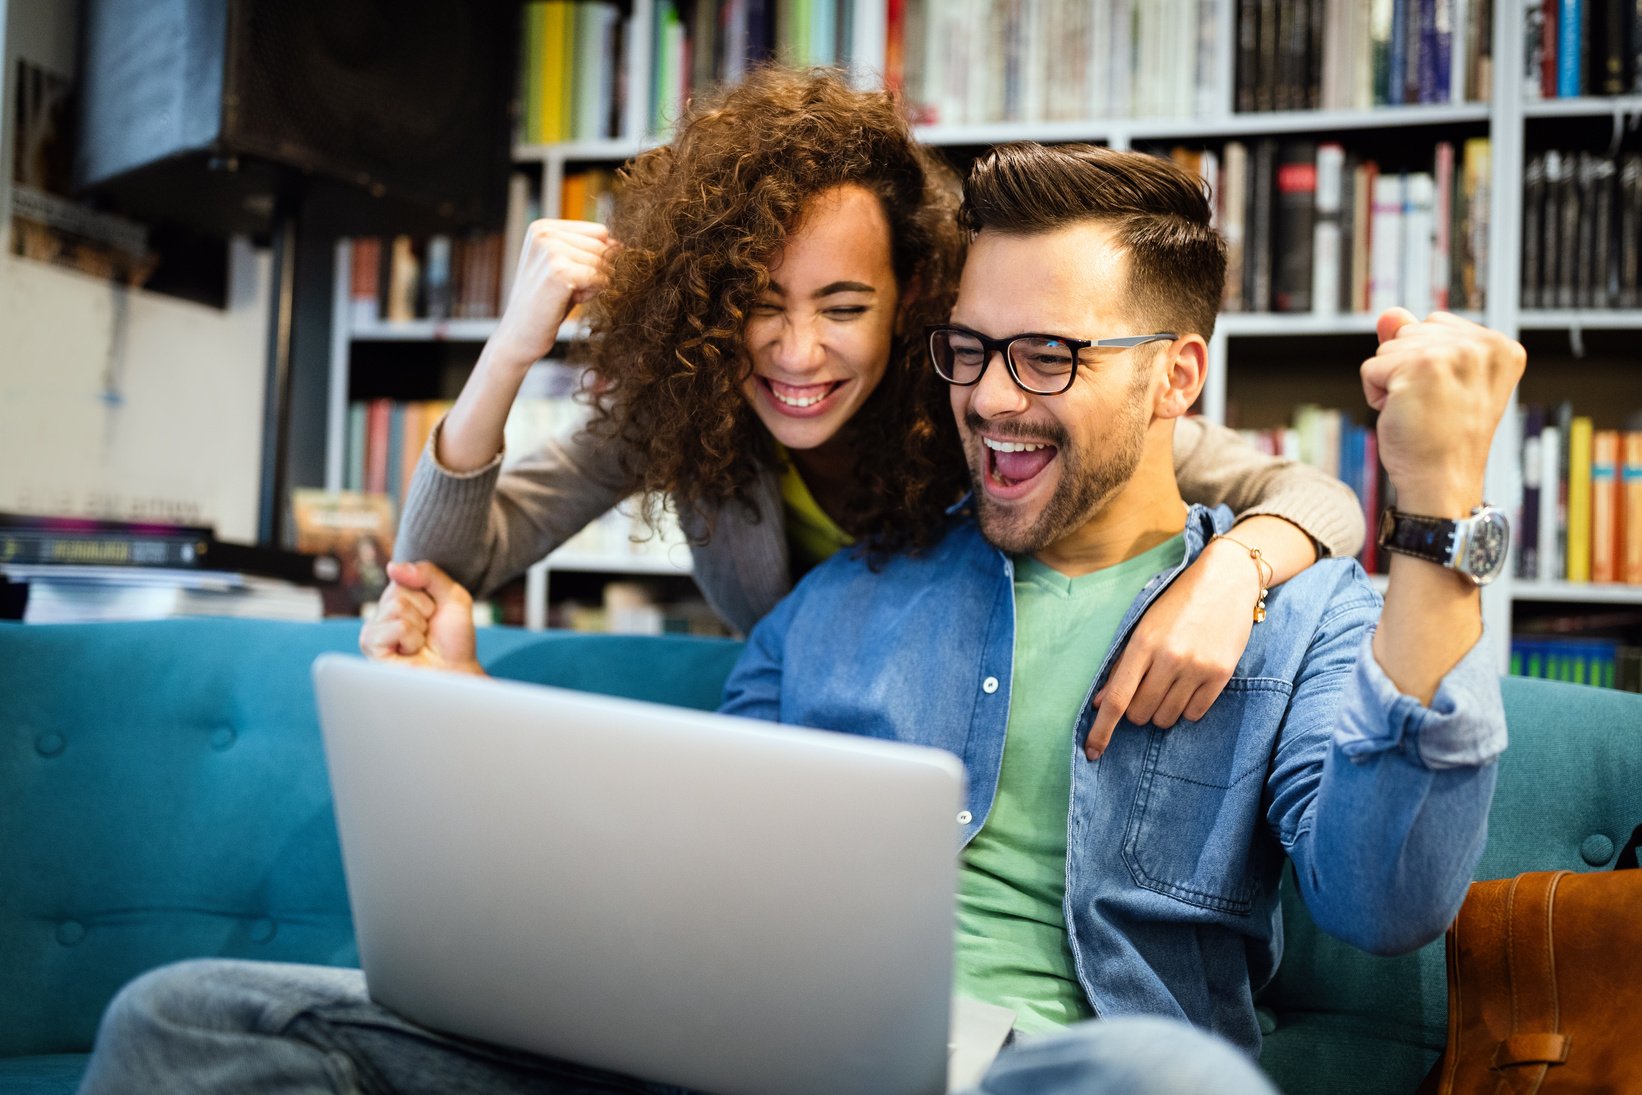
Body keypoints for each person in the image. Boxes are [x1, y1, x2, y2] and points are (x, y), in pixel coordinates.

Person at [75, 142, 1520, 1095]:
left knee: (1174, 1085)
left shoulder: (1306, 612)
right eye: (967, 348)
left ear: (1174, 377)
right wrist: (465, 720)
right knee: (184, 1018)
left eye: (1045, 354)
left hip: (1049, 1072)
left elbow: (1383, 902)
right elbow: (695, 896)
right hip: (747, 1063)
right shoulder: (831, 604)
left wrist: (1430, 522)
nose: (991, 395)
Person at [374, 66, 1365, 744]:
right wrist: (511, 350)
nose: (798, 352)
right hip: (797, 734)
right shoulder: (698, 396)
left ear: (911, 298)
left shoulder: (987, 401)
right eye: (758, 306)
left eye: (842, 306)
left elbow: (1308, 493)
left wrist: (1236, 567)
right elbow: (445, 560)